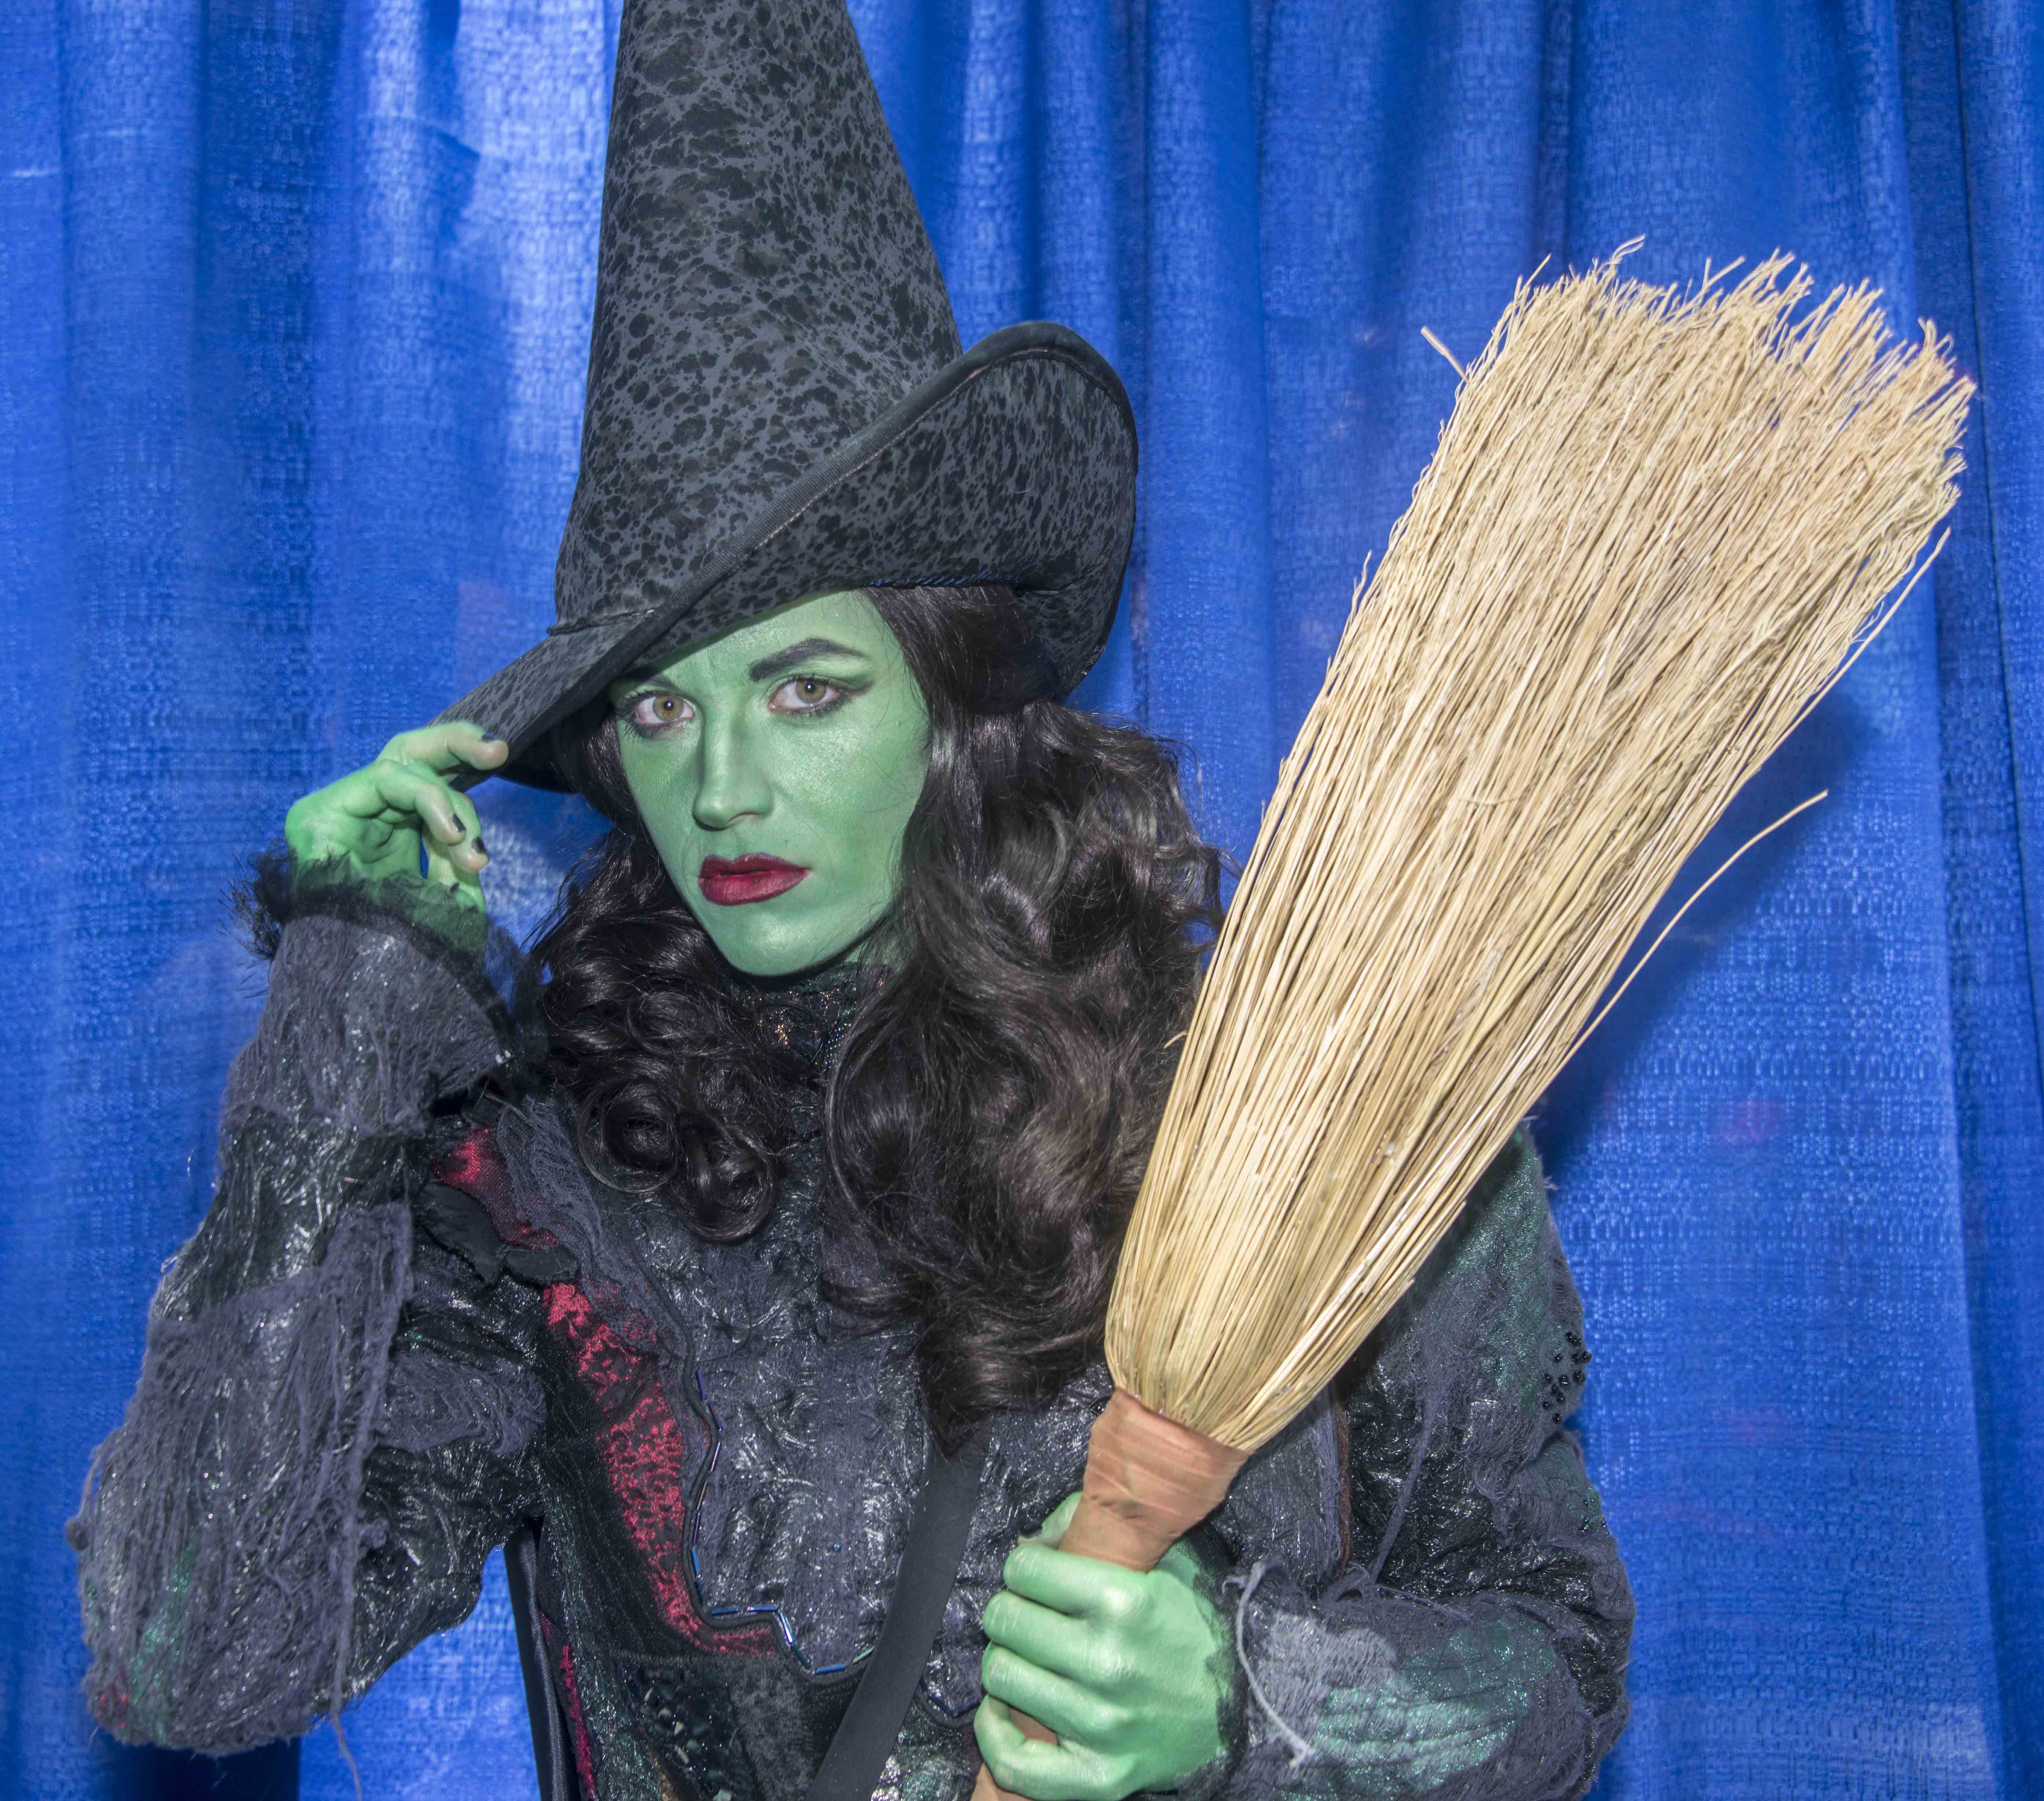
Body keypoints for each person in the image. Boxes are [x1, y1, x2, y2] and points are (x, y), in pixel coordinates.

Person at [71, 2, 1632, 1798]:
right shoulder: (560, 1169)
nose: (717, 784)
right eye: (659, 707)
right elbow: (195, 1661)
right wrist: (347, 1000)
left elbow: (1555, 1655)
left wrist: (1252, 1704)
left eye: (804, 690)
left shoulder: (1301, 1104)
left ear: (952, 702)